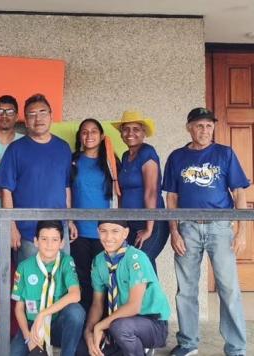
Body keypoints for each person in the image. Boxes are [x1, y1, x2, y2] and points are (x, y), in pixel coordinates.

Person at [163, 107, 249, 356]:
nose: (205, 130)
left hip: (220, 227)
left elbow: (239, 192)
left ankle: (236, 348)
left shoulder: (225, 153)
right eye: (199, 125)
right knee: (186, 290)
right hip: (187, 228)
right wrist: (174, 231)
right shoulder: (177, 157)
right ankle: (188, 343)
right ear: (189, 128)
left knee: (229, 289)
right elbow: (172, 197)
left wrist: (242, 231)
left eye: (209, 126)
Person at [0, 93, 77, 260]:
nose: (38, 118)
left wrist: (69, 220)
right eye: (32, 114)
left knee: (62, 275)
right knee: (30, 276)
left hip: (59, 231)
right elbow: (6, 191)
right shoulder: (15, 149)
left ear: (51, 116)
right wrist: (11, 227)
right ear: (25, 121)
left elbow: (66, 187)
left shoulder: (63, 147)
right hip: (28, 232)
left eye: (42, 112)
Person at [79, 221, 170, 356]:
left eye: (115, 231)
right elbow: (97, 304)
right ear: (98, 232)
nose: (108, 237)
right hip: (119, 321)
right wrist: (89, 331)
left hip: (152, 323)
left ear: (125, 233)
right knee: (82, 347)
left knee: (121, 328)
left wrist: (100, 326)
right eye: (103, 231)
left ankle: (141, 348)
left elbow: (134, 307)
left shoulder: (136, 258)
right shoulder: (99, 262)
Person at [11, 220, 85, 356]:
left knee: (76, 312)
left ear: (62, 243)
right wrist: (28, 337)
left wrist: (43, 314)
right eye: (44, 239)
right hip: (32, 325)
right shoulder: (24, 267)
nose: (49, 245)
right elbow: (19, 308)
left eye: (55, 240)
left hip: (57, 324)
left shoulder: (66, 261)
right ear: (36, 241)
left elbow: (75, 295)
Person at [69, 119, 120, 312]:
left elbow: (119, 195)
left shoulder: (111, 162)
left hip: (105, 232)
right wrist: (70, 220)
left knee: (105, 279)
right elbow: (66, 192)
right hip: (79, 231)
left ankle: (105, 323)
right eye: (84, 132)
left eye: (93, 131)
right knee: (82, 279)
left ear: (101, 136)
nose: (89, 135)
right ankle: (84, 322)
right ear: (79, 136)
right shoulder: (73, 161)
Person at [112, 110, 168, 271]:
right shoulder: (125, 156)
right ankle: (151, 289)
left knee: (139, 262)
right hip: (131, 222)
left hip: (152, 221)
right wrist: (122, 223)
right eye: (126, 129)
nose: (130, 133)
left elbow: (151, 191)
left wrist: (149, 229)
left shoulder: (147, 152)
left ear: (144, 133)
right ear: (121, 133)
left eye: (136, 129)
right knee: (142, 267)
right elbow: (122, 192)